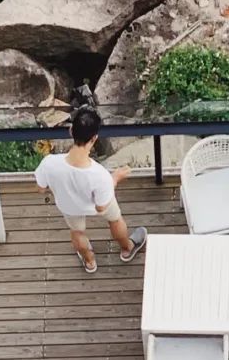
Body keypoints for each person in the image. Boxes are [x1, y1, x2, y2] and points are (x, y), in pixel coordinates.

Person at [35, 107, 147, 273]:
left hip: (69, 207)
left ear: (71, 131)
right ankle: (127, 249)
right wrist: (114, 179)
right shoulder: (100, 175)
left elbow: (41, 189)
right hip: (96, 203)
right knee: (115, 219)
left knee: (77, 232)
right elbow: (101, 207)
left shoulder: (49, 163)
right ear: (94, 138)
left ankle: (90, 262)